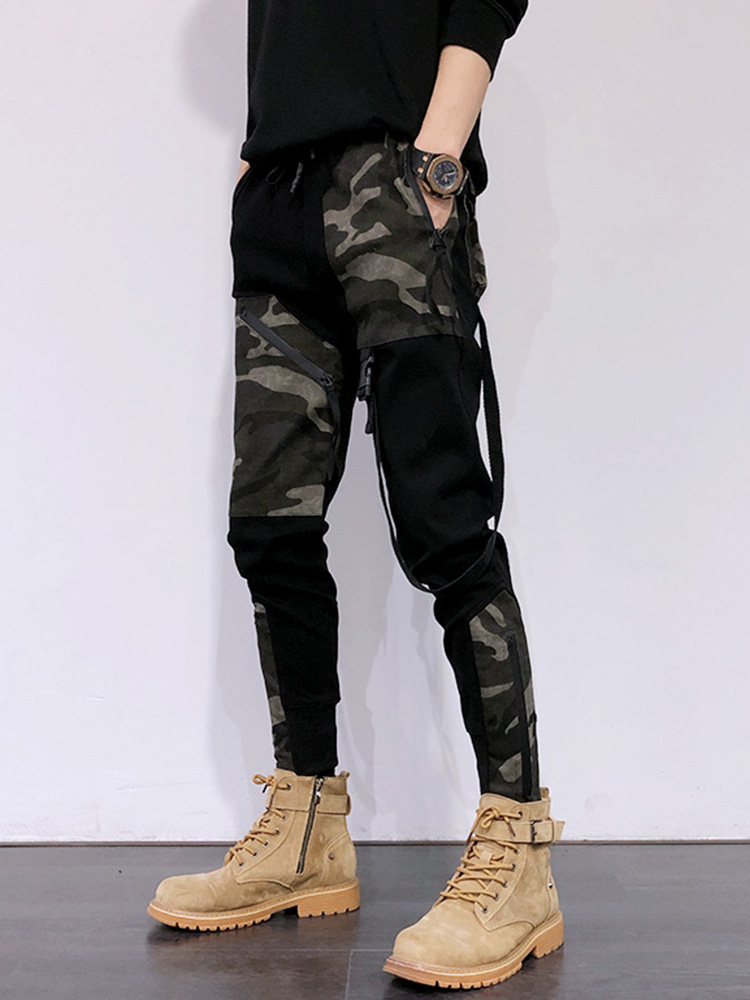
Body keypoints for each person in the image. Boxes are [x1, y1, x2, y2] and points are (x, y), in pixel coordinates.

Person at [147, 0, 565, 989]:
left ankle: (519, 850)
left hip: (396, 181)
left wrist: (438, 154)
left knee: (444, 524)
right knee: (270, 524)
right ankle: (307, 827)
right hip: (278, 193)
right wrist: (257, 160)